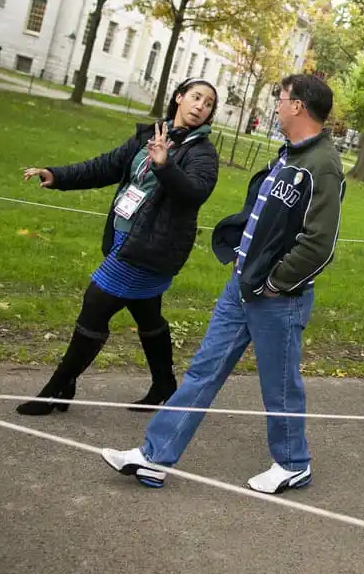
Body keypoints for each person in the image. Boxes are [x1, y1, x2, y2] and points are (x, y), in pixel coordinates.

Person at [100, 74, 344, 494]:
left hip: (276, 298)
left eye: (281, 98)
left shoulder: (322, 165)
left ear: (298, 106)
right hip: (242, 286)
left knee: (280, 385)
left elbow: (320, 244)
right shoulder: (288, 154)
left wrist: (274, 284)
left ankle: (293, 463)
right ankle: (155, 458)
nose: (277, 105)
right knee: (203, 371)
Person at [16, 78, 220, 415]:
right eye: (196, 97)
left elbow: (194, 194)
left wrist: (164, 165)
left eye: (209, 103)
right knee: (146, 311)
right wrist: (58, 175)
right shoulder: (149, 135)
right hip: (124, 238)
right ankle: (164, 383)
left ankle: (56, 389)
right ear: (179, 98)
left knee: (95, 304)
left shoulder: (202, 152)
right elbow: (106, 166)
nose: (201, 106)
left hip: (150, 247)